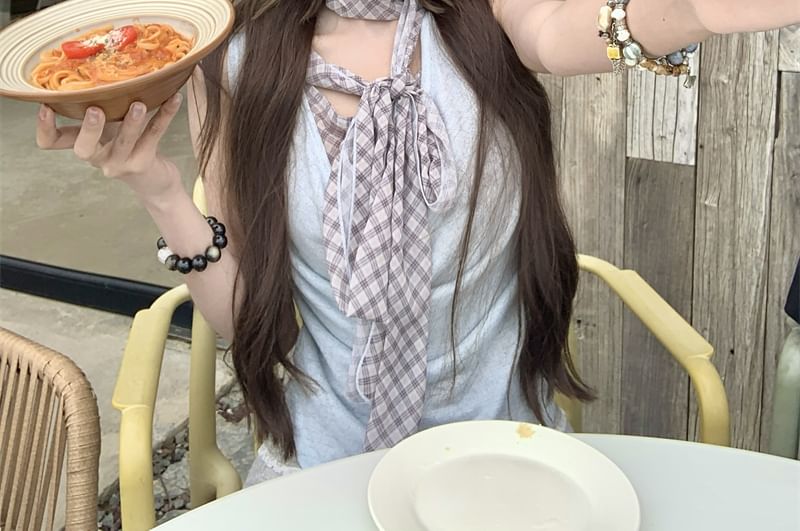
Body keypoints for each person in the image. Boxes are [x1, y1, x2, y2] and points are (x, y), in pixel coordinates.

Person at [36, 0, 799, 484]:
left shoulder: (482, 15)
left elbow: (566, 28)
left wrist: (693, 10)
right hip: (326, 460)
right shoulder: (236, 57)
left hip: (507, 446)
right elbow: (248, 314)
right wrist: (160, 190)